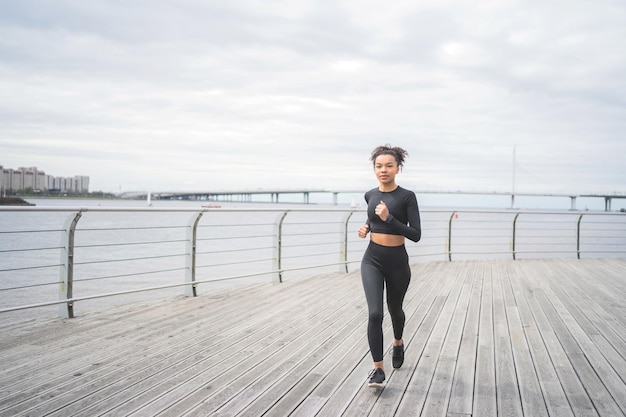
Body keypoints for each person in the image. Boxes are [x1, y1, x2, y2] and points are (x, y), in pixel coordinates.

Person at [357, 144, 421, 388]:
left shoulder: (406, 197)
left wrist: (389, 219)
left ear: (397, 168)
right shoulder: (370, 195)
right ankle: (378, 369)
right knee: (375, 313)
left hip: (397, 262)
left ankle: (397, 342)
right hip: (372, 258)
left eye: (388, 165)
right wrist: (367, 227)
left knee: (396, 310)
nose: (383, 170)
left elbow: (415, 234)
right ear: (374, 169)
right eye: (379, 166)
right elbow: (372, 218)